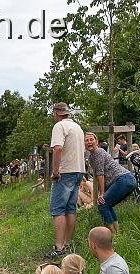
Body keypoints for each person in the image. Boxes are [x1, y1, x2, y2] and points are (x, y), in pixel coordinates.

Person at [45, 102, 86, 258]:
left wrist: (56, 171)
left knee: (58, 209)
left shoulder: (59, 126)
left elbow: (58, 148)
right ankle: (68, 243)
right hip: (78, 170)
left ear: (55, 113)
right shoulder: (77, 127)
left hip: (65, 171)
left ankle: (59, 246)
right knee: (70, 208)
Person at [86, 132, 137, 234]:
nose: (89, 142)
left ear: (96, 142)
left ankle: (112, 235)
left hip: (123, 179)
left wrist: (102, 194)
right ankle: (117, 233)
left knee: (102, 205)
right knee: (107, 205)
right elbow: (98, 176)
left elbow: (100, 174)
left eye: (91, 139)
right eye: (86, 140)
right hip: (127, 180)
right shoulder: (91, 157)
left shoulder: (99, 152)